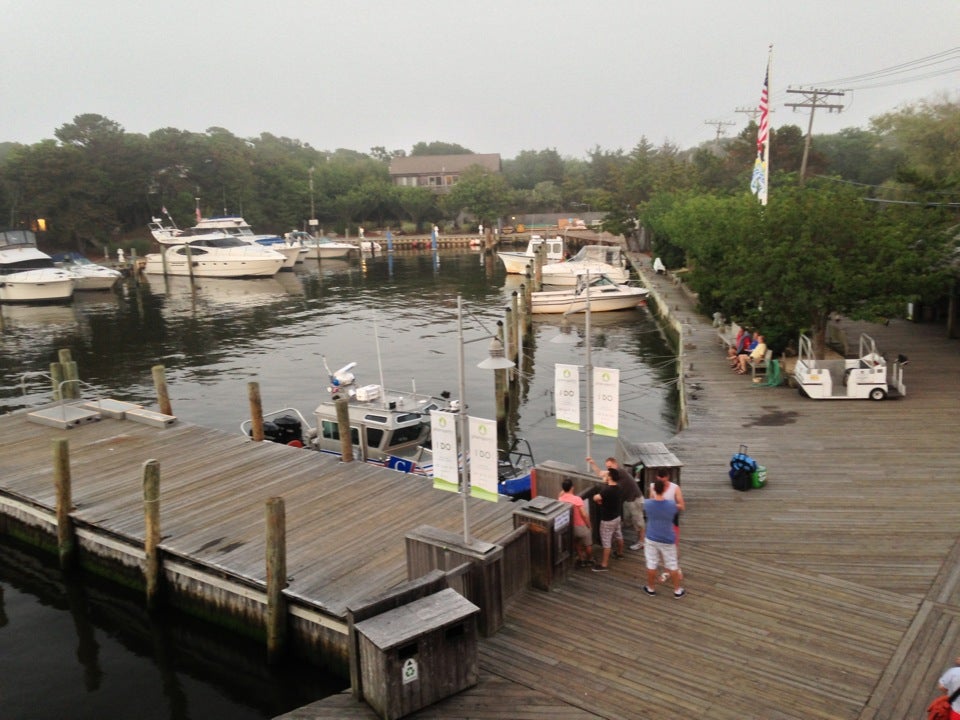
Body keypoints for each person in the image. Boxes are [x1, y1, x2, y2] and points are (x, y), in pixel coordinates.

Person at [642, 476, 686, 598]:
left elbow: (649, 501)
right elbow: (681, 507)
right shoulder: (672, 505)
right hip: (667, 538)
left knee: (651, 563)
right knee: (672, 564)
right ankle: (677, 590)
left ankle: (651, 588)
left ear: (654, 490)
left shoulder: (647, 504)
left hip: (651, 537)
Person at [591, 467, 624, 572]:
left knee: (606, 542)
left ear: (610, 477)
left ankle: (604, 564)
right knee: (618, 535)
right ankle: (619, 553)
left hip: (607, 519)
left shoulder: (606, 490)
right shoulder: (619, 487)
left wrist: (599, 501)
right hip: (617, 517)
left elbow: (596, 498)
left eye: (607, 475)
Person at [559, 479, 593, 568]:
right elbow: (584, 514)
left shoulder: (560, 499)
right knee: (588, 544)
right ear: (572, 488)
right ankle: (590, 559)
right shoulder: (577, 499)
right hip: (580, 526)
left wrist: (565, 488)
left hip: (570, 527)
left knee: (576, 543)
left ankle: (581, 559)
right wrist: (589, 525)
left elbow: (561, 493)